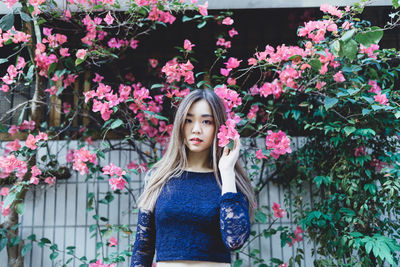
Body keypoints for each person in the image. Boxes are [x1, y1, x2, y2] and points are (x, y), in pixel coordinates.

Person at [130, 89, 256, 267]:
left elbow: (235, 240)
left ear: (219, 126)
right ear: (180, 124)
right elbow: (143, 247)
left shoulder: (229, 182)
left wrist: (227, 171)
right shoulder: (157, 177)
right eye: (189, 120)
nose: (196, 129)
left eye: (206, 121)